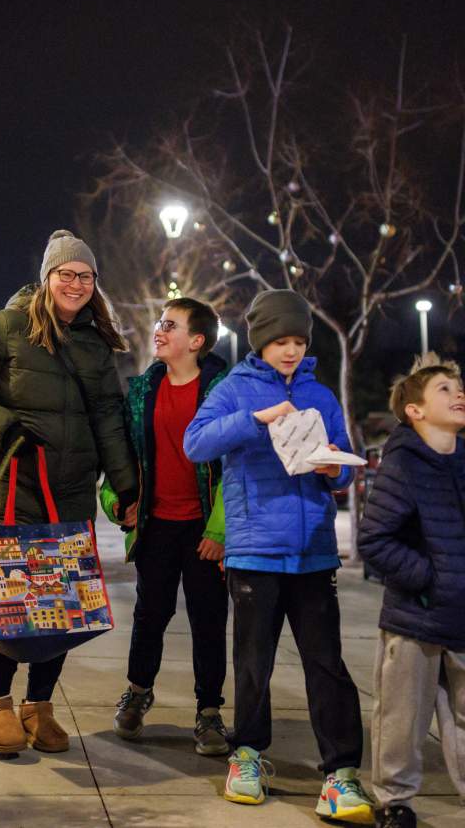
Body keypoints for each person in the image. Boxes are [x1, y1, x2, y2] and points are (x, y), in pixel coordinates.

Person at [184, 289, 373, 823]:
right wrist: (256, 419)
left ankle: (340, 774)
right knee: (253, 662)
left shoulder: (319, 393)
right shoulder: (235, 387)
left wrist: (332, 468)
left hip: (313, 551)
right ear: (259, 341)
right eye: (279, 341)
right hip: (254, 550)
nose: (289, 350)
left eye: (297, 341)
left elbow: (343, 460)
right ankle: (247, 756)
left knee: (327, 665)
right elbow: (195, 443)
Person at [0, 229, 138, 758]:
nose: (75, 283)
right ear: (47, 278)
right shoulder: (6, 328)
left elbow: (108, 418)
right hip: (11, 485)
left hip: (71, 490)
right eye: (65, 274)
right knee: (13, 599)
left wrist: (126, 485)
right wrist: (3, 426)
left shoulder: (95, 342)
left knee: (60, 604)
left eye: (85, 276)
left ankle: (38, 705)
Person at [100, 297, 230, 755]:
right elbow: (120, 459)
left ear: (196, 341)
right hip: (156, 526)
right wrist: (120, 502)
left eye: (169, 325)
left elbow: (235, 468)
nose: (159, 330)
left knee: (208, 620)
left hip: (202, 530)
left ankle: (209, 713)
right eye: (160, 322)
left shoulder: (222, 391)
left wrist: (219, 531)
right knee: (149, 615)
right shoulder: (141, 392)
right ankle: (137, 693)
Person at [358, 353, 465, 828]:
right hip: (416, 618)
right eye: (444, 388)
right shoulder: (403, 464)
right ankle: (394, 801)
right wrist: (429, 580)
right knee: (402, 719)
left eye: (458, 387)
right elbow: (374, 541)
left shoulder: (462, 461)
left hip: (462, 616)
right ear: (415, 410)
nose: (458, 393)